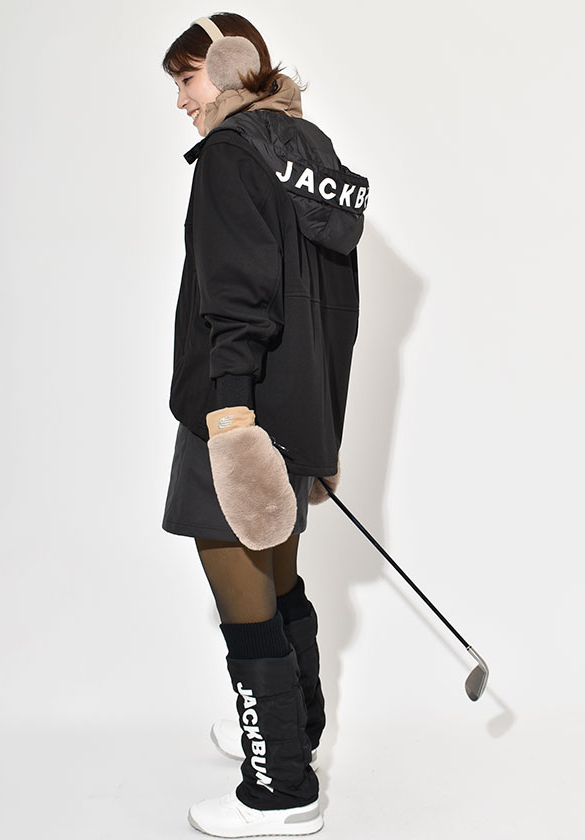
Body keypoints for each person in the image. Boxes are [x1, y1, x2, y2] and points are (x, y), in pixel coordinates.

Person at [161, 12, 368, 837]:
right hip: (297, 405)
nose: (181, 101)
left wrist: (231, 416)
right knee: (277, 571)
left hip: (237, 408)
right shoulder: (307, 149)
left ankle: (279, 787)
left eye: (186, 79)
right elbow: (337, 310)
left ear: (228, 65)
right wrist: (320, 426)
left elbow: (236, 297)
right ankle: (295, 729)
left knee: (235, 573)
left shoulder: (229, 156)